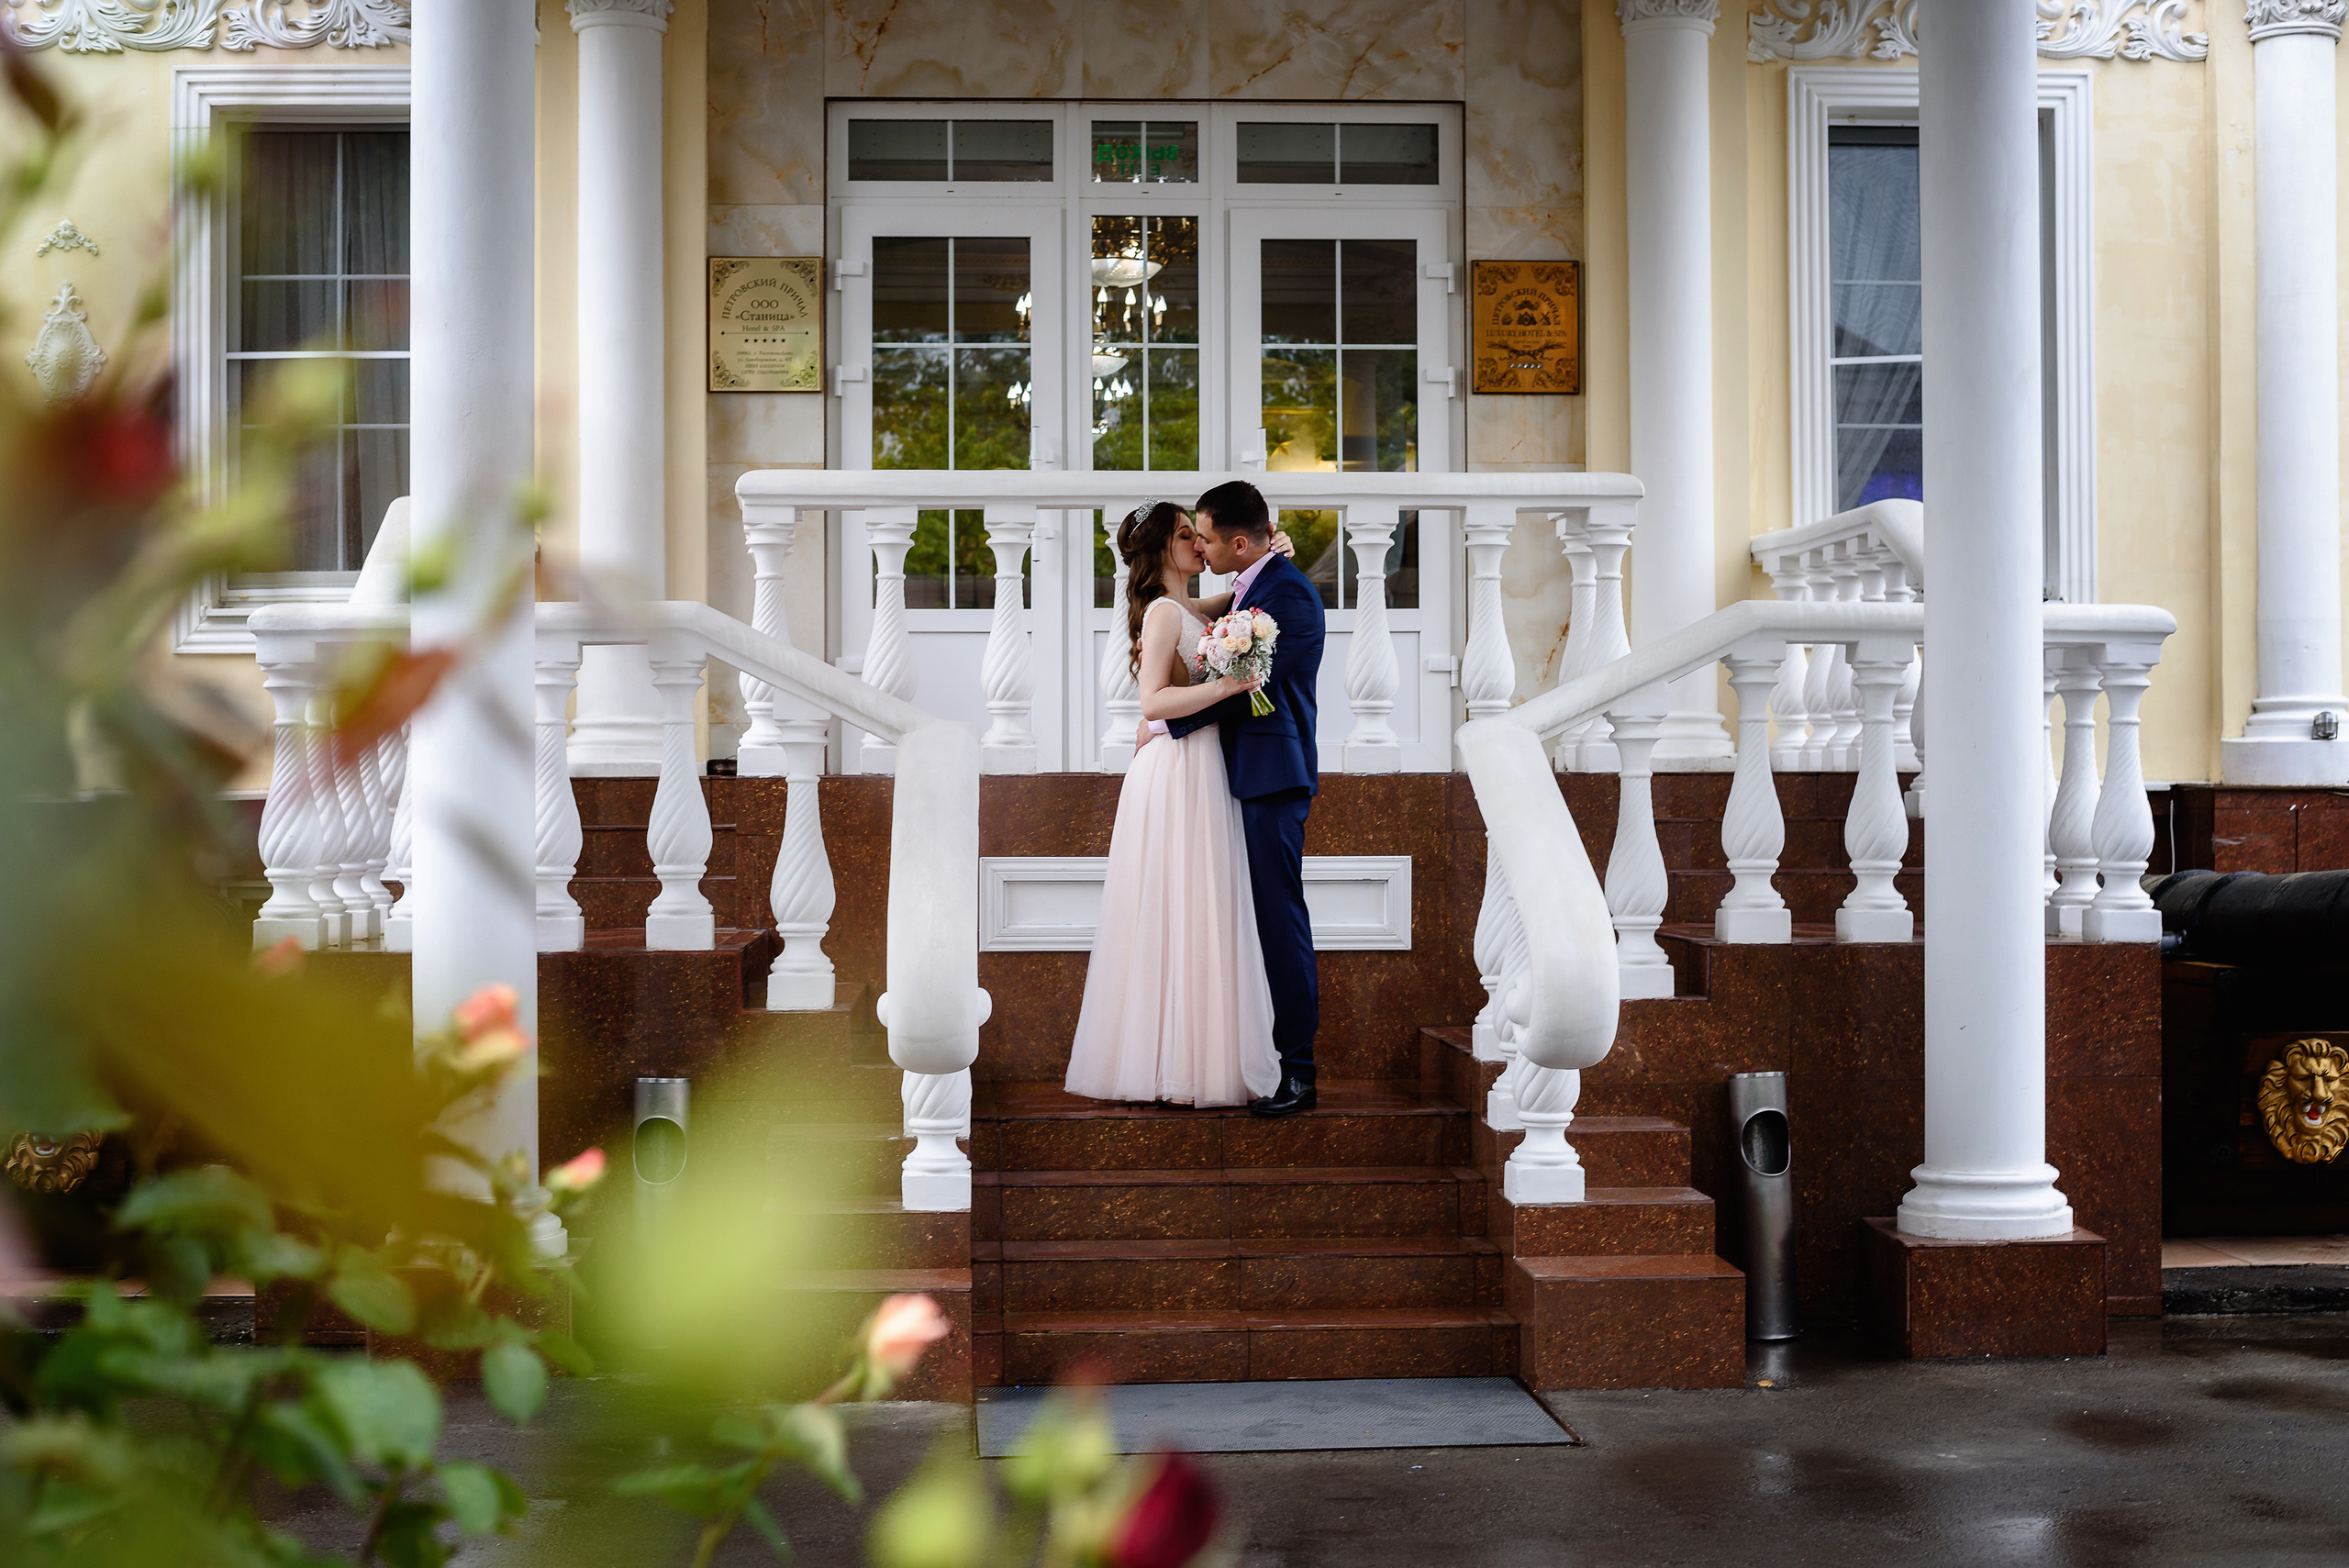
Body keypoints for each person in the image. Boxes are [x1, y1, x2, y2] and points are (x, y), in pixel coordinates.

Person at [1062, 501, 1283, 1108]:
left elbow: (1222, 608)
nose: (1199, 544)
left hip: (1200, 764)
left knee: (1197, 906)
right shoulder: (1163, 613)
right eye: (1187, 535)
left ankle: (1189, 1056)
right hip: (1177, 768)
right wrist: (1227, 685)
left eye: (1201, 534)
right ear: (1163, 547)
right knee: (1178, 907)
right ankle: (1173, 1061)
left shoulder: (1183, 607)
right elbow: (1152, 703)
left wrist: (1268, 554)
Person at [1164, 480, 1326, 1118]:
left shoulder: (1287, 596)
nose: (1198, 547)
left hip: (1271, 779)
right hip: (1235, 774)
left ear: (1236, 542)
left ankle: (1300, 1072)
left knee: (1279, 923)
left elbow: (1236, 680)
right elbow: (1195, 621)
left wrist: (1161, 723)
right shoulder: (1249, 584)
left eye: (1203, 536)